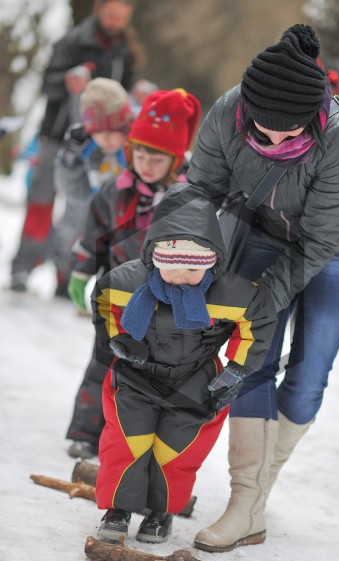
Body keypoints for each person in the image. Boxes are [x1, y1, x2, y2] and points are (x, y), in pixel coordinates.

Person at [185, 24, 339, 552]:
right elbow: (200, 191)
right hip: (266, 232)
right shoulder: (227, 112)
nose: (274, 142)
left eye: (288, 134)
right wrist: (177, 255)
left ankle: (258, 491)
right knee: (251, 357)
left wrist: (263, 300)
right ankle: (245, 505)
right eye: (263, 132)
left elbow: (317, 241)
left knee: (309, 373)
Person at [90, 182, 278, 543]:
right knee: (127, 443)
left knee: (176, 451)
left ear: (213, 261)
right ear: (154, 258)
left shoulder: (231, 292)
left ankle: (160, 513)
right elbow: (102, 301)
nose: (181, 278)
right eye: (171, 267)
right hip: (136, 376)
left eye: (193, 270)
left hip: (196, 381)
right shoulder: (128, 281)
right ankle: (118, 510)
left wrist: (237, 369)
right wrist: (117, 339)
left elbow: (258, 321)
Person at [65, 88, 202, 459]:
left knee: (147, 374)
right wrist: (82, 270)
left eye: (156, 157)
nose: (146, 163)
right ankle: (85, 431)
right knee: (103, 362)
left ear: (175, 158)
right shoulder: (117, 190)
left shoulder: (190, 197)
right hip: (117, 296)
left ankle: (136, 442)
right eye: (139, 154)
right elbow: (95, 233)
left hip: (165, 301)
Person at [10, 0, 140, 294]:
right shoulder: (72, 42)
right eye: (111, 15)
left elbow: (125, 95)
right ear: (98, 8)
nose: (116, 23)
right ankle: (24, 266)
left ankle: (65, 273)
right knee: (41, 200)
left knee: (82, 210)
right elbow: (48, 83)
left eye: (122, 18)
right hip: (58, 137)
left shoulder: (124, 52)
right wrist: (68, 81)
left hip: (99, 143)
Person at [53, 77, 133, 295]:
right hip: (103, 224)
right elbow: (74, 193)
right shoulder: (90, 148)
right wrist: (69, 161)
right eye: (97, 131)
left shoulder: (137, 145)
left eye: (113, 130)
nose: (105, 138)